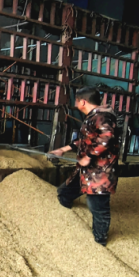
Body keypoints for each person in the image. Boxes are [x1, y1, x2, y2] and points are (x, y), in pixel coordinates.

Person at [49, 87, 120, 246]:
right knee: (64, 192)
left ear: (82, 102)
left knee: (97, 206)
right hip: (86, 172)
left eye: (76, 101)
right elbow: (86, 140)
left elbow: (107, 138)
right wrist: (63, 149)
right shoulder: (93, 117)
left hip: (100, 173)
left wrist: (88, 156)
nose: (75, 104)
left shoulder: (103, 117)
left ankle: (100, 241)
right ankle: (67, 217)